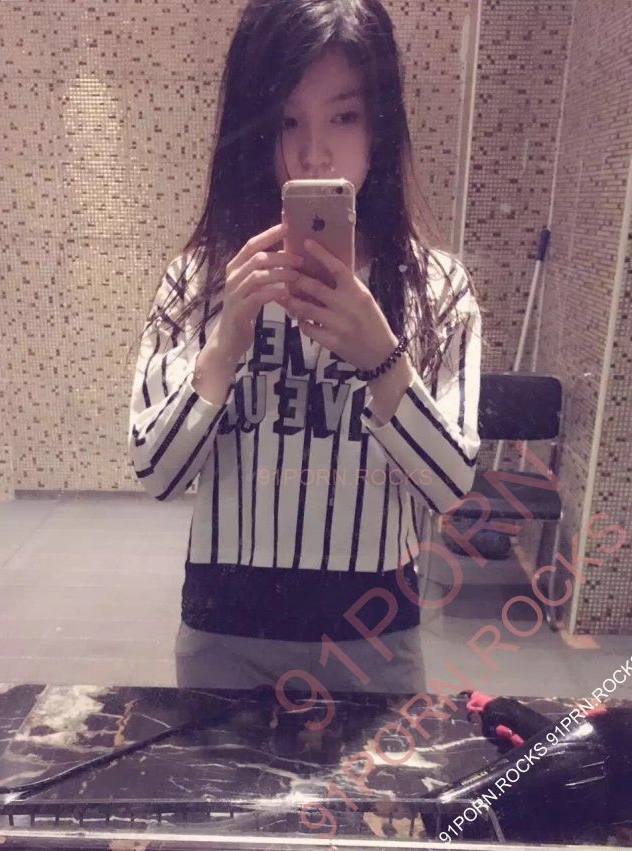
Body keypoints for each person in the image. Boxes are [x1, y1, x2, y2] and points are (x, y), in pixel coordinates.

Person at [127, 0, 483, 696]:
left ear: (380, 125)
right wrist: (226, 343)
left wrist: (381, 357)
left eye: (343, 116)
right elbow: (156, 472)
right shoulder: (200, 281)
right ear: (255, 129)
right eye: (288, 121)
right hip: (224, 636)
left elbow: (448, 485)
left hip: (373, 644)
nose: (314, 153)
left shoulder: (437, 289)